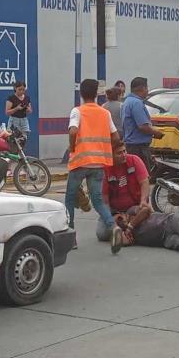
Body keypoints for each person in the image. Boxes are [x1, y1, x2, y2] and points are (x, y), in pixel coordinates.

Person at [65, 79, 124, 253]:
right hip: (99, 163)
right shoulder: (104, 113)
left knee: (69, 198)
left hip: (80, 161)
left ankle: (71, 237)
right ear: (97, 93)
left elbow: (73, 131)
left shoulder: (78, 111)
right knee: (97, 200)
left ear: (81, 94)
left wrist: (73, 147)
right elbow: (115, 138)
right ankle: (113, 227)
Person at [97, 141, 150, 241]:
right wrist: (110, 219)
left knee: (143, 211)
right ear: (110, 155)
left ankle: (125, 230)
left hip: (133, 207)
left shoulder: (134, 160)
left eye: (124, 151)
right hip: (114, 212)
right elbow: (104, 201)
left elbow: (145, 182)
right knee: (101, 233)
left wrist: (143, 201)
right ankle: (122, 232)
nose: (124, 154)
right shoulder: (104, 169)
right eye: (119, 153)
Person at [122, 76, 164, 169]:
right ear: (143, 88)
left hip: (131, 146)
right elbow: (143, 126)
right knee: (142, 178)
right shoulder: (136, 103)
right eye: (147, 88)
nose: (147, 90)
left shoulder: (127, 101)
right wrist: (157, 133)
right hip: (139, 148)